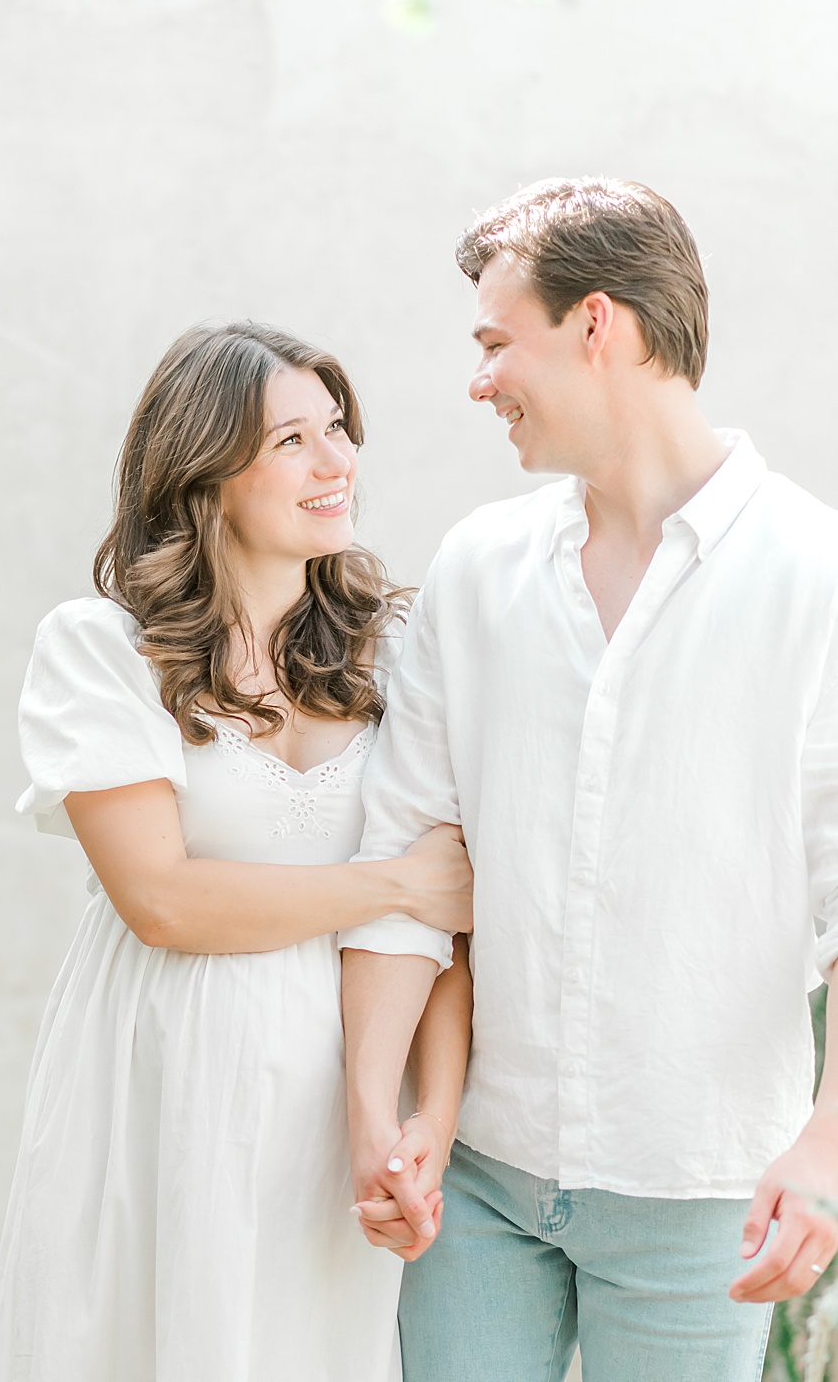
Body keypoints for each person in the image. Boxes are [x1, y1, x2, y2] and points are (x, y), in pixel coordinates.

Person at [340, 178, 838, 1381]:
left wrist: (825, 1150)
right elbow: (409, 872)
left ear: (598, 324)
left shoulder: (813, 577)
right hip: (476, 1186)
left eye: (495, 341)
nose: (477, 380)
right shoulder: (477, 567)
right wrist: (380, 1118)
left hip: (699, 1191)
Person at [0, 321, 475, 1382]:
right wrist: (390, 880)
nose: (335, 460)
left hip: (344, 1087)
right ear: (203, 473)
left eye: (336, 428)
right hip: (161, 1074)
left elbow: (443, 928)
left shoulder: (399, 649)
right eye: (291, 439)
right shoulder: (102, 649)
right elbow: (161, 899)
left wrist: (425, 1120)